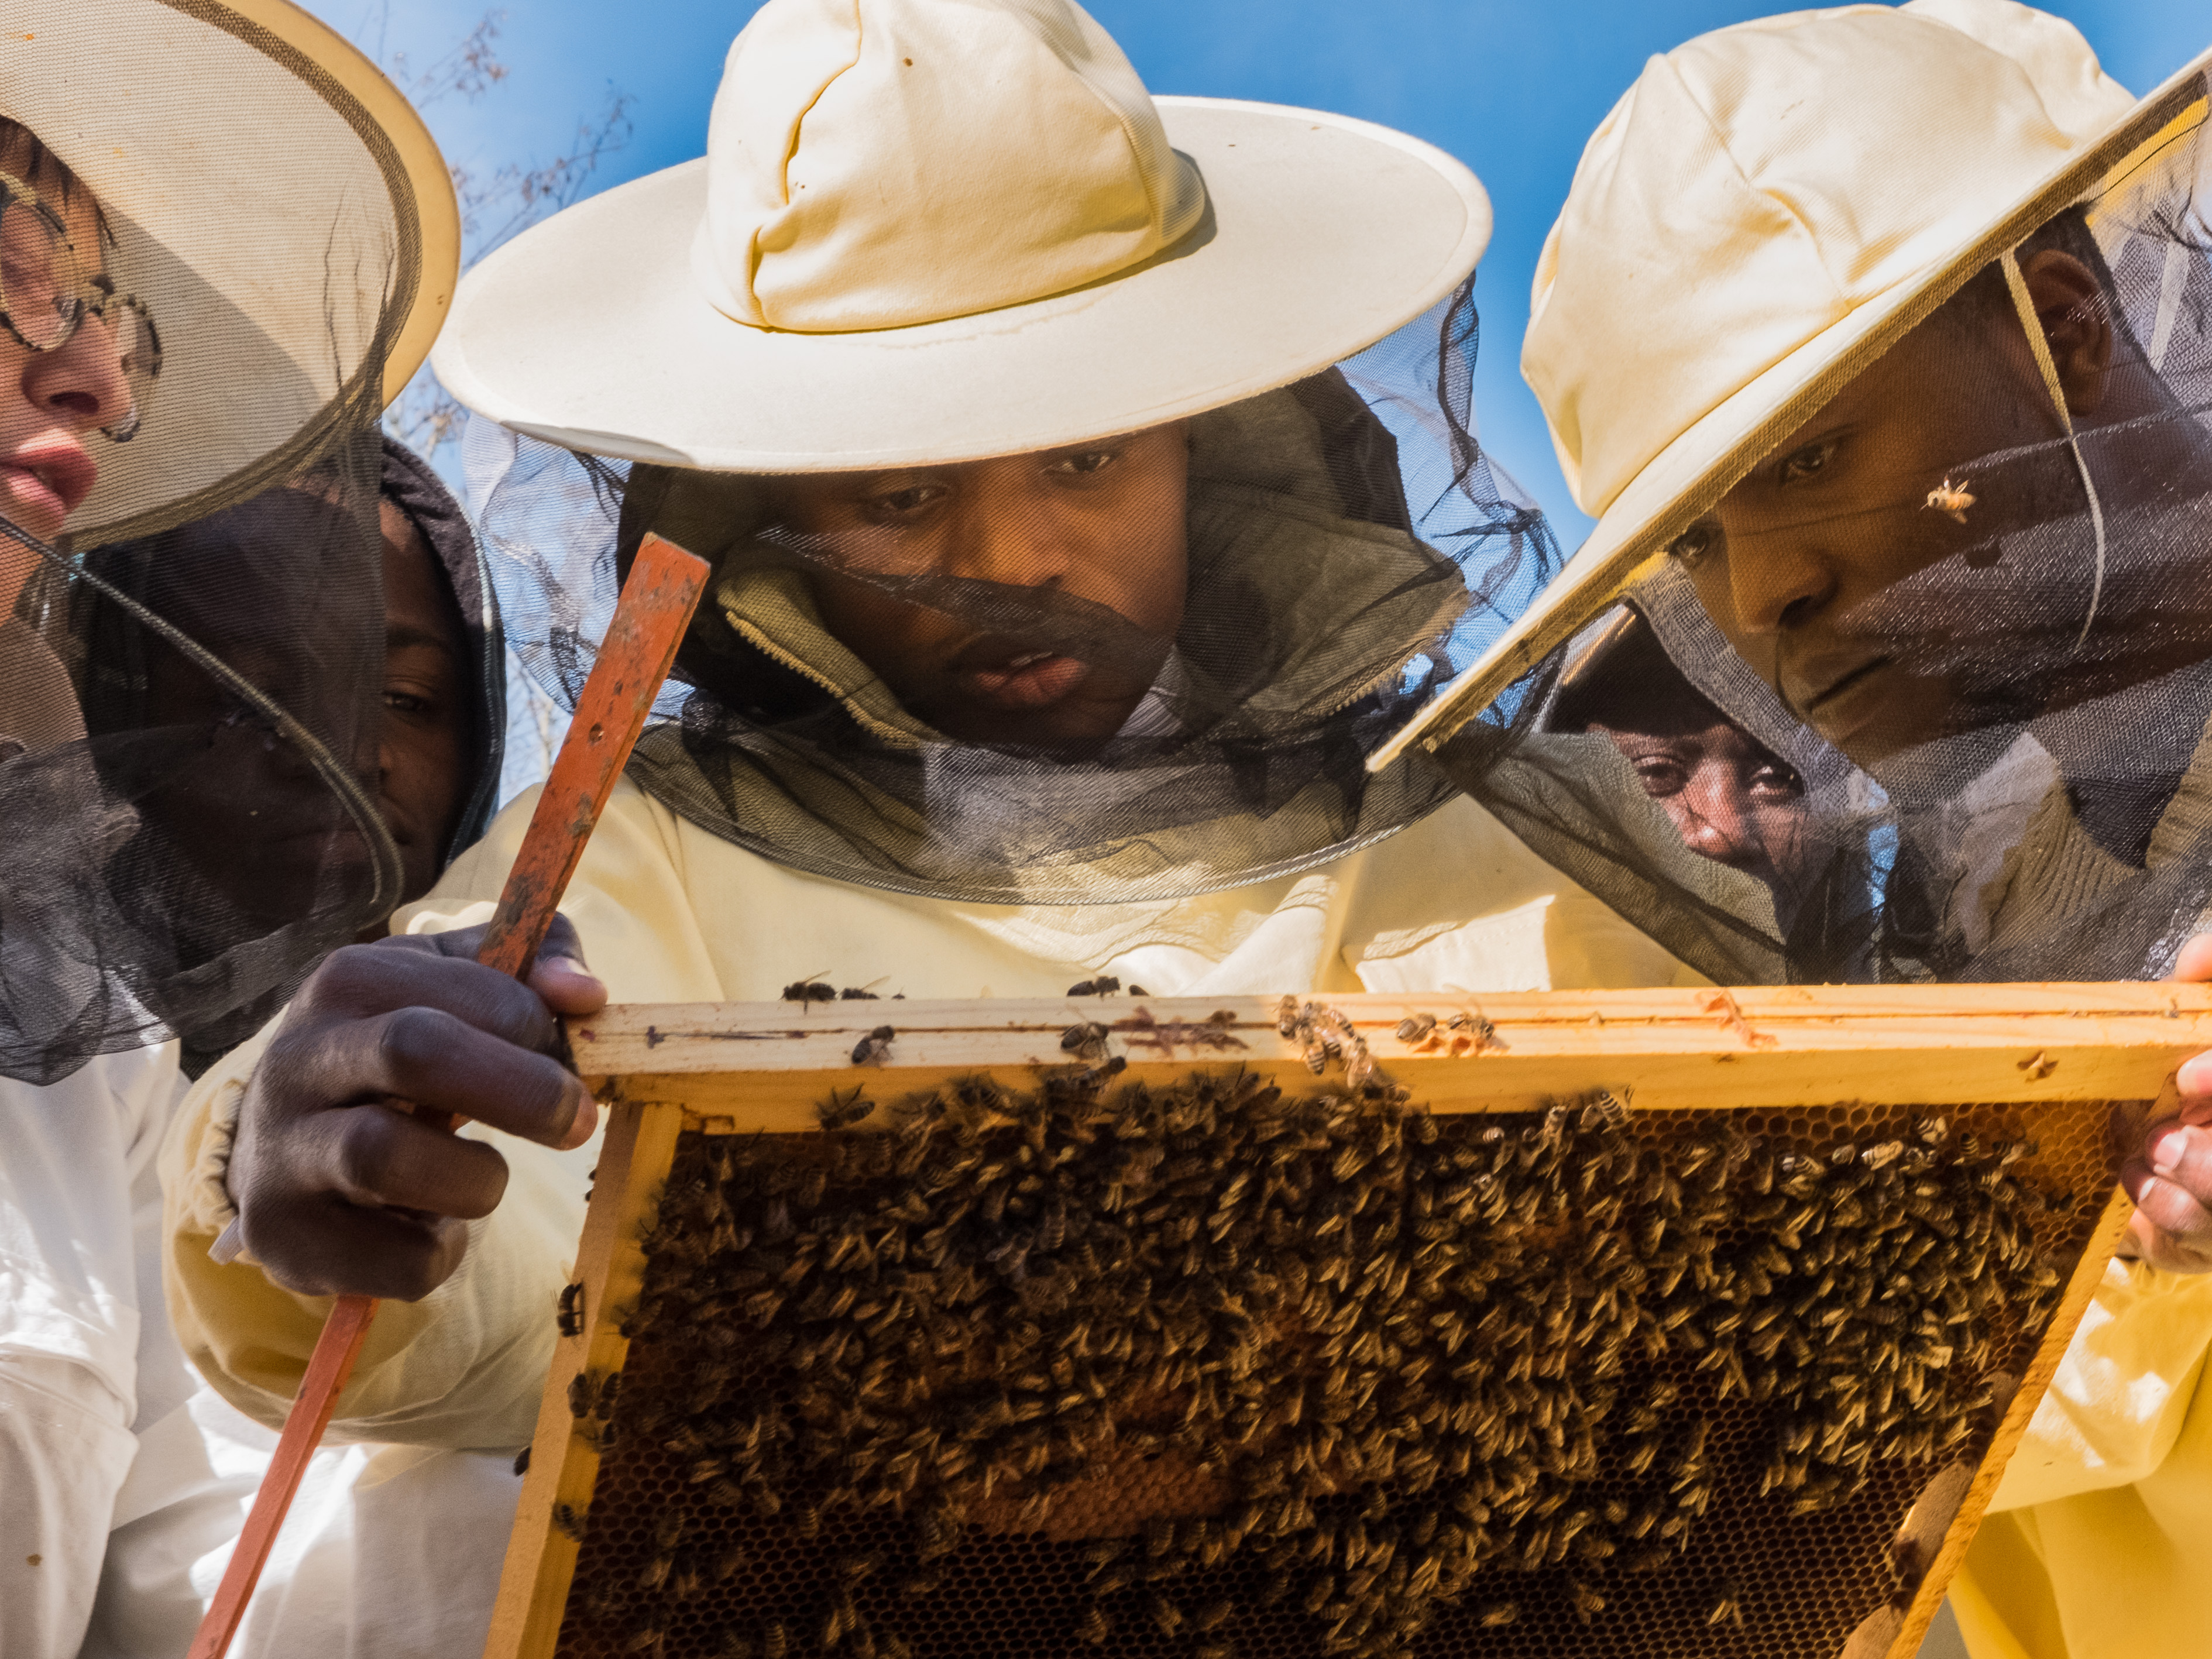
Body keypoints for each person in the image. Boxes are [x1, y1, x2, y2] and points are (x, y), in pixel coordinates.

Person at [158, 0, 1696, 1650]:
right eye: (900, 493)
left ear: (1215, 436)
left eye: (1086, 453)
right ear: (769, 509)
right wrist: (312, 1173)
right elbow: (496, 1290)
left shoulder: (1510, 851)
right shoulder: (646, 853)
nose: (1008, 555)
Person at [1377, 3, 2212, 1654]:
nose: (1763, 596)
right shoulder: (1989, 886)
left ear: (2063, 321)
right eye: (1695, 536)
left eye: (1810, 452)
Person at [0, 12, 459, 1654]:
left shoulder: (70, 1020)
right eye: (8, 272)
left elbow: (196, 1578)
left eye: (107, 316)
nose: (99, 375)